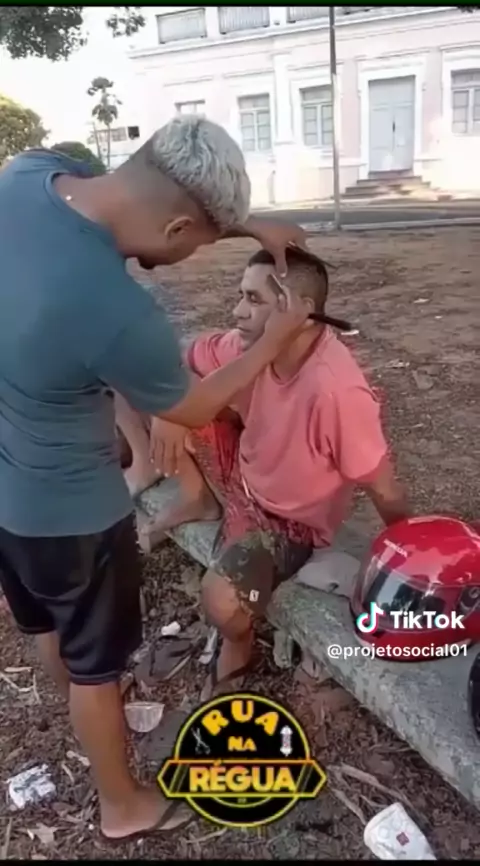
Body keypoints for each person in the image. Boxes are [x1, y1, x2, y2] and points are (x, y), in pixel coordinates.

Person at [0, 115, 312, 841]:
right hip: (74, 515)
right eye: (198, 241)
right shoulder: (116, 311)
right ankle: (122, 806)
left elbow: (138, 194)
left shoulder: (23, 178)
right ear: (177, 227)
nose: (191, 254)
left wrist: (243, 223)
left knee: (50, 625)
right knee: (97, 666)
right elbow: (193, 404)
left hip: (9, 493)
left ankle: (81, 702)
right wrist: (272, 339)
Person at [117, 247, 410, 701]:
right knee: (143, 384)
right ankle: (197, 497)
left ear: (299, 313)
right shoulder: (247, 348)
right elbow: (184, 359)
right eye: (242, 295)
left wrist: (411, 566)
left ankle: (240, 645)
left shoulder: (336, 391)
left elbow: (384, 489)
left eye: (253, 300)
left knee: (220, 599)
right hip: (243, 479)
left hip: (289, 522)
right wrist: (170, 414)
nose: (237, 311)